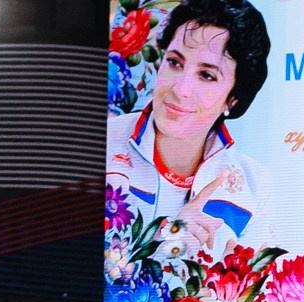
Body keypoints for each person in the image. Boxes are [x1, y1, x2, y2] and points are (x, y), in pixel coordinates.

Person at [106, 0, 275, 266]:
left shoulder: (253, 187)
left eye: (207, 75)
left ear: (233, 99)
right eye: (174, 62)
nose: (180, 88)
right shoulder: (99, 145)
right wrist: (166, 243)